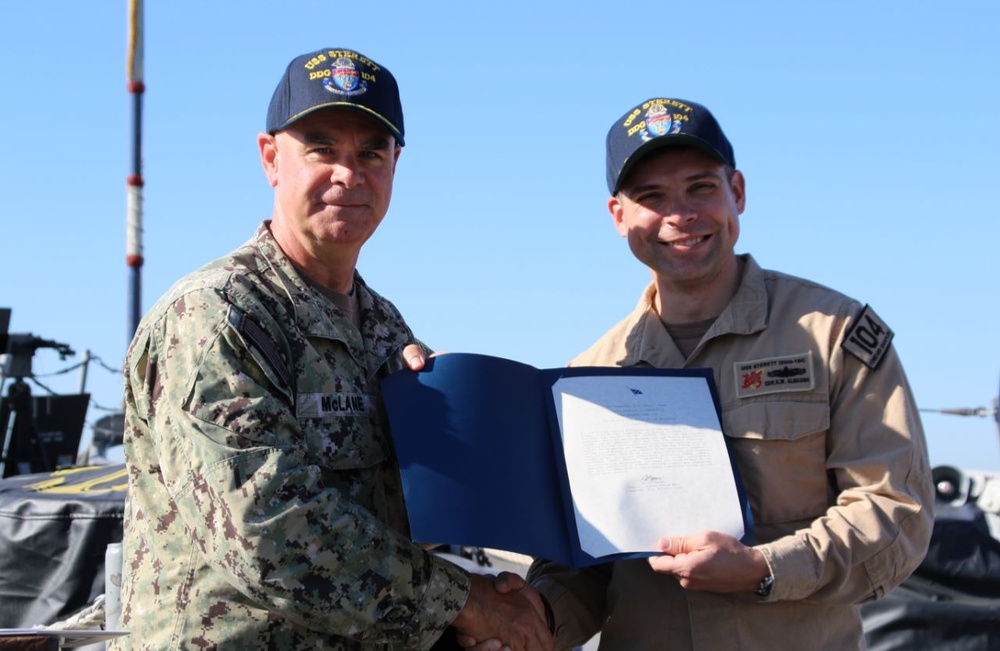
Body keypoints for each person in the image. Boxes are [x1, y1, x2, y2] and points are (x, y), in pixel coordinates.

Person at [111, 47, 551, 651]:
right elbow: (270, 532)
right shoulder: (219, 314)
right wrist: (466, 603)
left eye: (371, 153)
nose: (349, 174)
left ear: (396, 164)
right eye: (322, 149)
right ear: (271, 158)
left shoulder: (385, 330)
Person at [465, 97, 936, 650]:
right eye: (652, 197)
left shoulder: (833, 335)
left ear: (736, 191)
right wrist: (533, 618)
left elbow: (896, 516)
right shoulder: (589, 377)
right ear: (618, 216)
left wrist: (765, 568)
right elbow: (583, 567)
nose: (680, 215)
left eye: (700, 188)